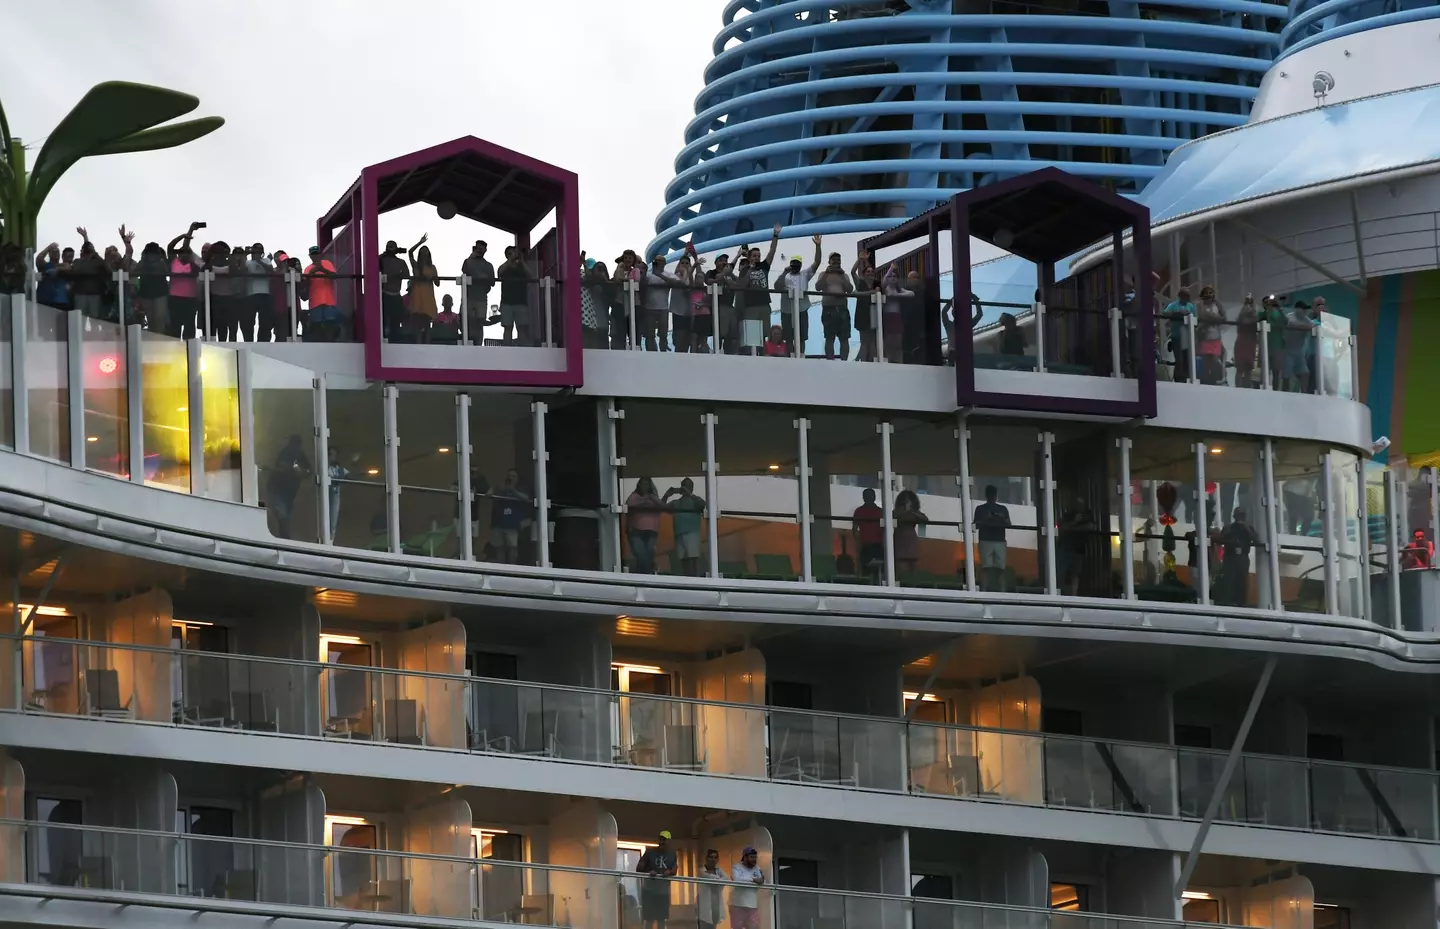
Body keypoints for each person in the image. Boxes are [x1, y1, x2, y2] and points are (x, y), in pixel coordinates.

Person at [774, 234, 821, 356]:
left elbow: (817, 262)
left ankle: (801, 356)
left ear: (801, 265)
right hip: (787, 311)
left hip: (802, 310)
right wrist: (784, 272)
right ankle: (790, 358)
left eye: (798, 263)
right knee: (789, 338)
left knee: (801, 338)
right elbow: (776, 286)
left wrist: (818, 246)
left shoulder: (805, 274)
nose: (795, 265)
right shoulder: (785, 276)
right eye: (793, 263)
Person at [738, 225, 782, 354]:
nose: (756, 258)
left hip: (764, 304)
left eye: (758, 256)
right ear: (749, 258)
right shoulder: (744, 270)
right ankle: (751, 357)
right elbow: (742, 285)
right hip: (750, 306)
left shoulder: (764, 266)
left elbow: (772, 251)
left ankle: (763, 356)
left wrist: (775, 235)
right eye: (754, 256)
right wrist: (750, 271)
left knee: (763, 335)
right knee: (751, 335)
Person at [266, 435, 311, 540]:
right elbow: (282, 468)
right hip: (276, 491)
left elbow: (309, 470)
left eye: (297, 445)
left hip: (289, 494)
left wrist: (300, 472)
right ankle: (284, 540)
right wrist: (294, 470)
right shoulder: (285, 453)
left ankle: (284, 539)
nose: (296, 448)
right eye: (294, 445)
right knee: (283, 516)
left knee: (286, 517)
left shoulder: (300, 455)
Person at [662, 478, 707, 576]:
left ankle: (697, 579)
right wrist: (666, 495)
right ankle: (688, 579)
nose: (685, 488)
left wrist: (690, 494)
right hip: (679, 533)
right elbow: (661, 507)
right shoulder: (676, 502)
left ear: (692, 488)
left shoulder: (695, 501)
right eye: (684, 485)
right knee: (684, 559)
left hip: (692, 532)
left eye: (687, 486)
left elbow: (703, 505)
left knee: (694, 558)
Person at [489, 469, 533, 565]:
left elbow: (526, 498)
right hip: (498, 523)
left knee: (512, 548)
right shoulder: (500, 487)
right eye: (509, 475)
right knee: (499, 548)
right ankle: (501, 568)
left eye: (513, 476)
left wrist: (512, 490)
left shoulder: (520, 489)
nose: (511, 478)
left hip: (512, 524)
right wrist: (495, 488)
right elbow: (488, 494)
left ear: (517, 478)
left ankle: (512, 567)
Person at [816, 251, 854, 360]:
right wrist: (827, 273)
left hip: (842, 309)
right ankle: (830, 362)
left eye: (838, 260)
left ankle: (844, 362)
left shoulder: (844, 275)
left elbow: (850, 289)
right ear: (829, 261)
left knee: (844, 338)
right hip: (828, 309)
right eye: (834, 260)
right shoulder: (823, 274)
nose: (836, 262)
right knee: (829, 337)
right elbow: (818, 287)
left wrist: (841, 276)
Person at [167, 223, 203, 338]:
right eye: (181, 252)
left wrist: (188, 235)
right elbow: (170, 246)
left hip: (190, 299)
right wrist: (183, 236)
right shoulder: (174, 261)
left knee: (189, 327)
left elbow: (187, 246)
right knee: (175, 327)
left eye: (186, 252)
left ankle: (189, 347)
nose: (184, 254)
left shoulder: (193, 264)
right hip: (175, 298)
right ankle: (174, 347)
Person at [974, 485, 1012, 592]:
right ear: (996, 495)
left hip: (988, 540)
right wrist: (989, 519)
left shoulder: (981, 509)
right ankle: (1000, 592)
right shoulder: (1002, 509)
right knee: (995, 569)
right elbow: (976, 525)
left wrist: (996, 519)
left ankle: (986, 591)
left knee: (991, 568)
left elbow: (1008, 524)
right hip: (996, 540)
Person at [636, 831, 678, 929]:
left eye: (665, 840)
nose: (662, 842)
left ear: (669, 841)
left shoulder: (672, 854)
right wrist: (649, 871)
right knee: (649, 919)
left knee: (661, 920)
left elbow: (675, 869)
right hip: (649, 891)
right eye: (661, 839)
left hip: (663, 892)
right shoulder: (650, 852)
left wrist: (670, 872)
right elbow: (639, 868)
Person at [1057, 496, 1095, 596]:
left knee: (1074, 575)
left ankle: (1073, 596)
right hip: (1065, 550)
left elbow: (1090, 527)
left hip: (1078, 550)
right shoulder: (1068, 515)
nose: (1079, 506)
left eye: (1081, 504)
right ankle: (1060, 594)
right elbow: (1061, 528)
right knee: (1061, 574)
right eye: (1077, 504)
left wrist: (1072, 528)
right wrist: (1075, 521)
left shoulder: (1087, 515)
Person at [626, 477, 664, 573]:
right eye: (643, 484)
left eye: (647, 484)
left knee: (648, 553)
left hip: (651, 530)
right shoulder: (634, 496)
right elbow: (628, 506)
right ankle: (644, 572)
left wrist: (652, 498)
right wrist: (643, 501)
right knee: (640, 553)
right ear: (639, 485)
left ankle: (646, 572)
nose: (645, 486)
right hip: (636, 530)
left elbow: (662, 506)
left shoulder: (653, 497)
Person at [497, 246, 534, 345]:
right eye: (510, 253)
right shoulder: (505, 267)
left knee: (521, 328)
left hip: (521, 302)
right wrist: (510, 261)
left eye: (514, 253)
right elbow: (499, 272)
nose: (513, 255)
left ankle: (523, 349)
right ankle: (507, 349)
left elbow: (531, 276)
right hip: (506, 302)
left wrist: (522, 262)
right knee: (507, 328)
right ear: (506, 255)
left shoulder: (522, 267)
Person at [643, 254, 680, 352]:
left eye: (660, 260)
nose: (658, 262)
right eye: (656, 260)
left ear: (664, 263)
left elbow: (676, 283)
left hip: (663, 308)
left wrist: (659, 275)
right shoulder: (648, 274)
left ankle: (663, 352)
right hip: (649, 308)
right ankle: (651, 353)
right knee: (649, 334)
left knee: (663, 334)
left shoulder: (668, 274)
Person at [1219, 508, 1256, 605]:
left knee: (1242, 580)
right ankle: (1227, 602)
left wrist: (1246, 527)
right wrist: (1225, 533)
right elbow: (1220, 540)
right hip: (1229, 557)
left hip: (1242, 556)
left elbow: (1255, 539)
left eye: (1242, 515)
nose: (1240, 517)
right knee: (1228, 580)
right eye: (1238, 515)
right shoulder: (1229, 527)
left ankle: (1241, 603)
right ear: (1234, 516)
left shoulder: (1248, 528)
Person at [460, 240, 495, 344]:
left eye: (482, 248)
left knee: (480, 323)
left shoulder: (489, 265)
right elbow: (465, 270)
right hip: (468, 297)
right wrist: (471, 257)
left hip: (481, 297)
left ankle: (478, 345)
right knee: (466, 321)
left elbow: (492, 282)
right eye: (478, 247)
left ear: (485, 250)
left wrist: (482, 278)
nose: (480, 250)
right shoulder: (468, 261)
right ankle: (466, 343)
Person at [302, 246, 340, 341]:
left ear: (320, 255)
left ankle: (330, 343)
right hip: (315, 302)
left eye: (317, 254)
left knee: (330, 324)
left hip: (329, 301)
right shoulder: (307, 269)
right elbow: (305, 285)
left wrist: (322, 269)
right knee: (316, 325)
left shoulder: (327, 264)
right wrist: (310, 275)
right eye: (313, 254)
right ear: (310, 256)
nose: (315, 256)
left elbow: (334, 276)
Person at [69, 228, 108, 319]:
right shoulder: (77, 261)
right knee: (79, 319)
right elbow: (78, 270)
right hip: (80, 294)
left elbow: (106, 266)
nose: (87, 251)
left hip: (95, 295)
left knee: (95, 319)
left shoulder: (97, 261)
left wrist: (94, 253)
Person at [407, 235, 439, 341]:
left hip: (428, 297)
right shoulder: (416, 266)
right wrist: (420, 242)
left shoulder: (432, 267)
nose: (424, 254)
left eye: (426, 252)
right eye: (422, 252)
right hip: (418, 296)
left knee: (427, 324)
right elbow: (410, 252)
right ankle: (418, 344)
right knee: (418, 324)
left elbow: (437, 283)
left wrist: (431, 278)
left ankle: (427, 344)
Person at [134, 242, 170, 334]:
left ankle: (158, 338)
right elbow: (135, 273)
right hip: (147, 293)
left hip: (159, 293)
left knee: (159, 319)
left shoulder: (161, 262)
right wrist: (143, 259)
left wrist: (162, 259)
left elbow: (167, 272)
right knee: (151, 319)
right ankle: (155, 337)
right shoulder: (143, 262)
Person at [378, 240, 409, 342]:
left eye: (392, 246)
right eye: (389, 246)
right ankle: (382, 339)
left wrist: (398, 276)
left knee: (395, 320)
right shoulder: (381, 260)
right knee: (383, 319)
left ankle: (394, 340)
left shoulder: (401, 262)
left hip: (396, 295)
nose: (390, 248)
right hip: (384, 294)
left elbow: (407, 274)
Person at [1163, 288, 1196, 382]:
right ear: (1180, 296)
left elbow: (1195, 319)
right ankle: (1178, 379)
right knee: (1179, 359)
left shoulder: (1191, 306)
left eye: (1188, 296)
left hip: (1188, 336)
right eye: (1185, 295)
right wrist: (1177, 314)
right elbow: (1165, 313)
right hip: (1176, 336)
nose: (1187, 298)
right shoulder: (1173, 305)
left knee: (1187, 359)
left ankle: (1186, 378)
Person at [1195, 285, 1225, 384]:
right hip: (1204, 336)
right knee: (1206, 361)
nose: (1208, 295)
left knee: (1215, 359)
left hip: (1216, 337)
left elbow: (1223, 318)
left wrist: (1213, 318)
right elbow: (1203, 316)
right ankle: (1205, 381)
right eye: (1206, 293)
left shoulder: (1217, 305)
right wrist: (1215, 318)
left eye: (1210, 293)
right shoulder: (1200, 305)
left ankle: (1214, 380)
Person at [728, 846, 765, 929]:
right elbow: (736, 880)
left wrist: (757, 880)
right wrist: (753, 880)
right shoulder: (736, 867)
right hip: (737, 904)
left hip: (752, 905)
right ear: (744, 857)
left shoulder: (757, 868)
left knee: (755, 927)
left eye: (755, 857)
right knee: (738, 927)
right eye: (751, 857)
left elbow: (761, 881)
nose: (754, 859)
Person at [852, 488, 885, 579]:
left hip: (878, 545)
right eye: (867, 496)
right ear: (863, 497)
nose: (869, 498)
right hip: (865, 545)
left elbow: (885, 529)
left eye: (871, 496)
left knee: (880, 571)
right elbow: (855, 529)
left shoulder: (880, 512)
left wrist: (885, 544)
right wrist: (858, 543)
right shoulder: (859, 511)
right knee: (866, 571)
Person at [893, 490, 928, 577]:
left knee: (913, 563)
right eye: (905, 501)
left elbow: (925, 519)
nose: (907, 503)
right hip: (899, 537)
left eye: (909, 501)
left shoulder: (915, 512)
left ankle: (913, 581)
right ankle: (898, 579)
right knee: (898, 563)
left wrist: (912, 513)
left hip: (911, 538)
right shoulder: (896, 511)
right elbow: (896, 517)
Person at [245, 243, 275, 342]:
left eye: (258, 251)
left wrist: (259, 261)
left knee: (265, 321)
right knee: (250, 321)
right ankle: (249, 342)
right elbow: (241, 268)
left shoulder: (266, 260)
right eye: (255, 251)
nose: (256, 253)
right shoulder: (248, 262)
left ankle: (262, 341)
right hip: (251, 294)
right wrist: (245, 254)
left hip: (265, 294)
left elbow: (270, 270)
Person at [852, 252, 878, 362]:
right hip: (862, 314)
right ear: (863, 274)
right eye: (868, 272)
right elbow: (853, 272)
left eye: (872, 272)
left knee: (872, 341)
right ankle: (864, 362)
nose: (870, 273)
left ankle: (872, 362)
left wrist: (866, 260)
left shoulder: (876, 284)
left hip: (874, 313)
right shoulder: (860, 283)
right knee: (864, 341)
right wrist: (860, 259)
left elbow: (869, 269)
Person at [327, 445, 354, 542]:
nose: (332, 457)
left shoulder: (340, 469)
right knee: (327, 519)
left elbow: (350, 477)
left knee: (334, 519)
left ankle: (331, 540)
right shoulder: (325, 468)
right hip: (326, 496)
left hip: (336, 496)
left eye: (334, 455)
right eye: (330, 454)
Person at [697, 849, 728, 929]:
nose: (713, 859)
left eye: (715, 857)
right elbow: (708, 877)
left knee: (713, 926)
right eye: (711, 857)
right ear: (706, 858)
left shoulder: (719, 870)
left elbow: (726, 878)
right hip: (703, 904)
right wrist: (718, 879)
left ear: (717, 859)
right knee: (703, 925)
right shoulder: (701, 870)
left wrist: (716, 879)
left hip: (716, 904)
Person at [1234, 294, 1258, 388]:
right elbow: (1240, 319)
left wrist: (1253, 306)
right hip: (1242, 343)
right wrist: (1246, 305)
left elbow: (1255, 319)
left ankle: (1246, 388)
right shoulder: (1242, 317)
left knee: (1248, 369)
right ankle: (1238, 388)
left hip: (1250, 343)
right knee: (1240, 369)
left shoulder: (1254, 318)